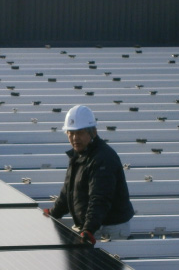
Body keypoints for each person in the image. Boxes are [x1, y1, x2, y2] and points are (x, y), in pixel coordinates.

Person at [44, 105, 134, 245]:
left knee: (103, 267)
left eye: (79, 132)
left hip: (108, 229)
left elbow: (99, 198)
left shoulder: (103, 158)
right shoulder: (79, 155)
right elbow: (68, 191)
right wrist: (53, 212)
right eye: (71, 133)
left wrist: (88, 230)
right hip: (92, 227)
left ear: (93, 132)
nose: (74, 138)